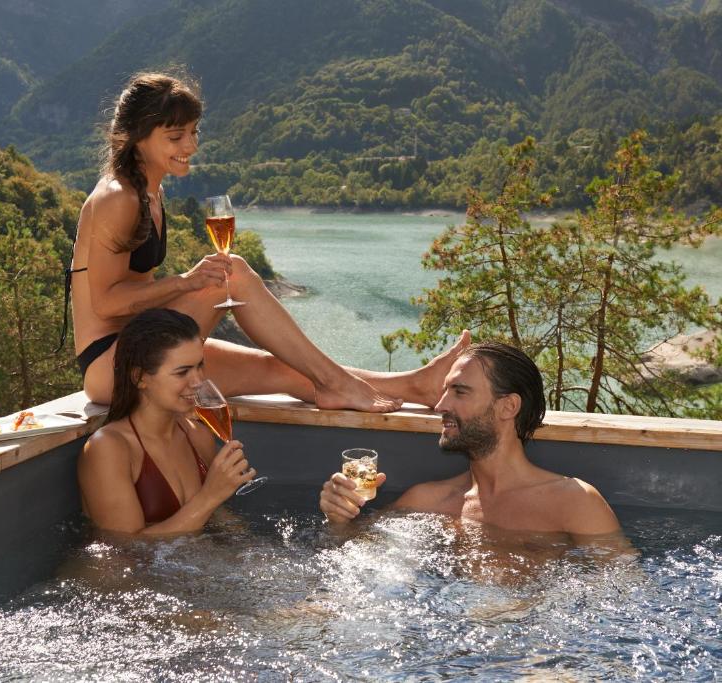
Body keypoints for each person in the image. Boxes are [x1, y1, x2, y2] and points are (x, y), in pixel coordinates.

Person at [67, 70, 469, 413]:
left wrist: (183, 286)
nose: (191, 146)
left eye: (193, 132)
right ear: (137, 137)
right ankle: (337, 382)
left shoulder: (148, 191)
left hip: (140, 345)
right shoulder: (117, 198)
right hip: (111, 365)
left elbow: (138, 293)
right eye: (176, 137)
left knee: (284, 369)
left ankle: (417, 385)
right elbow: (105, 302)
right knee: (232, 274)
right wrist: (186, 281)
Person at [319, 342, 622, 540]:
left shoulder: (575, 502)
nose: (440, 406)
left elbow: (622, 597)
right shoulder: (426, 501)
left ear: (508, 406)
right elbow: (354, 556)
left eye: (460, 392)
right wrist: (339, 519)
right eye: (444, 391)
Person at [78, 308, 255, 534]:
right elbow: (125, 549)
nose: (198, 381)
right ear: (139, 377)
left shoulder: (198, 436)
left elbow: (216, 515)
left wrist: (249, 546)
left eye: (199, 366)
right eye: (182, 372)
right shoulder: (108, 449)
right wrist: (211, 495)